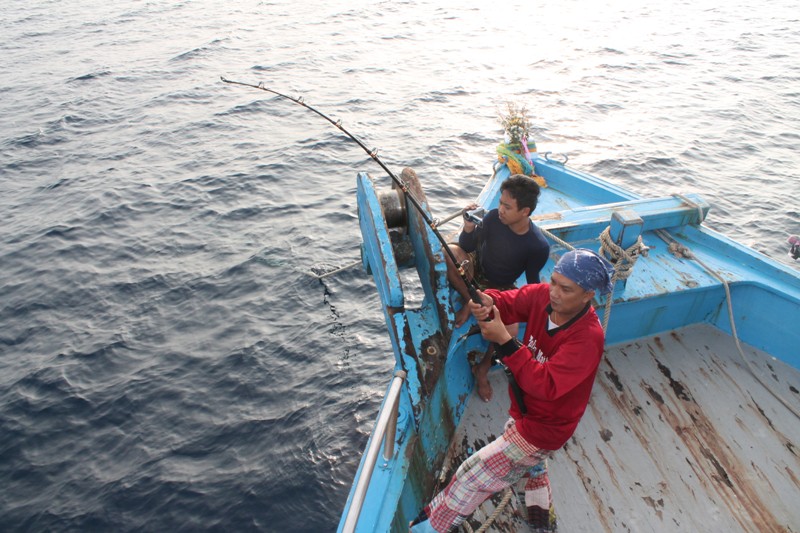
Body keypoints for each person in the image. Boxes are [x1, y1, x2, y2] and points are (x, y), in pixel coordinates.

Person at [410, 249, 615, 533]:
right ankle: (541, 519)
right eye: (554, 281)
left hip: (544, 428)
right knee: (531, 469)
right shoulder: (544, 296)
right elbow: (511, 301)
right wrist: (488, 300)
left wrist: (506, 342)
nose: (554, 292)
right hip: (523, 411)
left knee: (471, 476)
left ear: (588, 295)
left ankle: (426, 529)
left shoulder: (588, 338)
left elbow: (545, 385)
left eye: (565, 289)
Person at [447, 174, 550, 402]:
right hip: (476, 271)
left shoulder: (538, 246)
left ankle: (482, 369)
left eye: (507, 206)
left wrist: (542, 311)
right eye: (500, 203)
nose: (500, 209)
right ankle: (470, 301)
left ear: (525, 212)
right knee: (450, 252)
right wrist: (468, 227)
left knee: (510, 330)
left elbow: (533, 283)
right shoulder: (493, 218)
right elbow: (466, 246)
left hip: (502, 286)